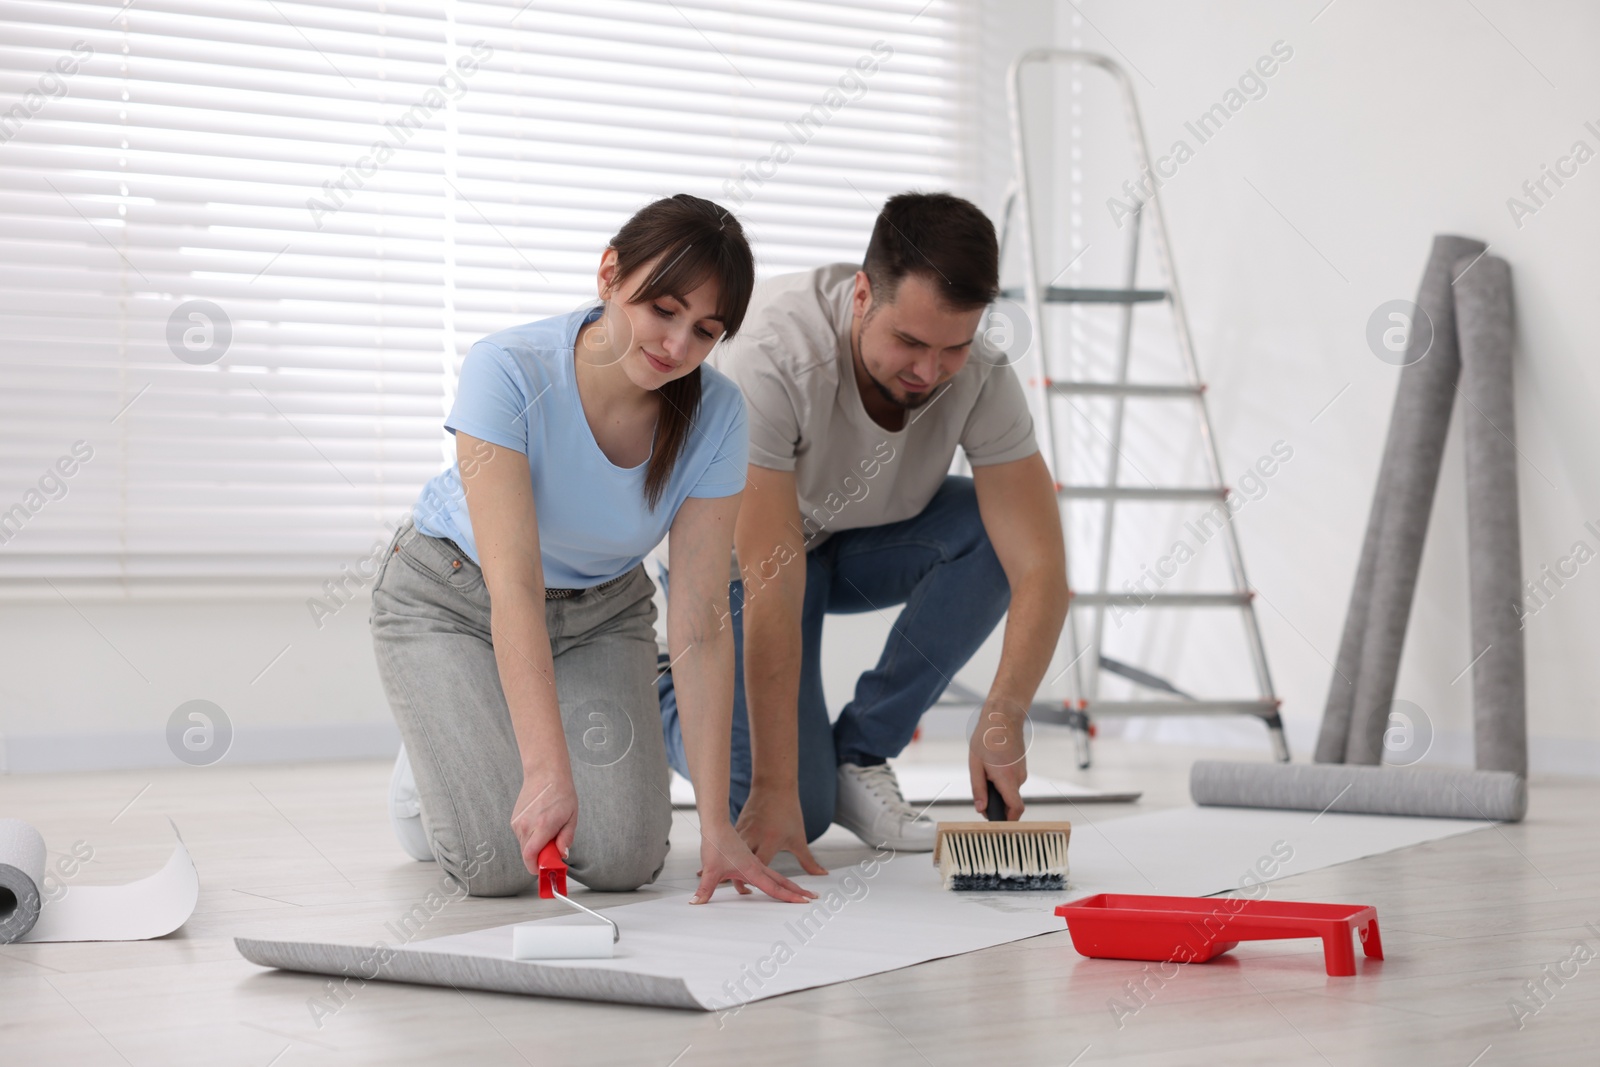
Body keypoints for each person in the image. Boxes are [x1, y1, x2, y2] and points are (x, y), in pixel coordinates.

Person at [371, 194, 814, 906]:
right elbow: (514, 586)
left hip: (601, 613)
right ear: (610, 273)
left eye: (705, 331)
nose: (677, 346)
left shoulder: (720, 414)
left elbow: (700, 620)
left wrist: (716, 827)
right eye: (663, 310)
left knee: (624, 859)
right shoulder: (506, 368)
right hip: (454, 596)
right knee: (496, 865)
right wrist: (546, 770)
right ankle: (447, 751)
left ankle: (497, 740)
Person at [656, 191, 1070, 868]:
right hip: (737, 563)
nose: (929, 371)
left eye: (953, 347)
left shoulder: (981, 374)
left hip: (846, 544)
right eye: (908, 341)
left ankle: (859, 749)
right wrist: (774, 784)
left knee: (988, 533)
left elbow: (1041, 567)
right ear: (861, 296)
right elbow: (771, 573)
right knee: (786, 809)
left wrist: (1004, 713)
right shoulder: (773, 354)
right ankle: (665, 688)